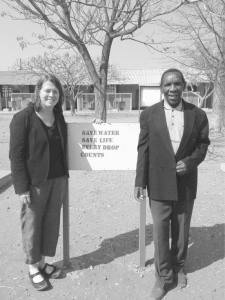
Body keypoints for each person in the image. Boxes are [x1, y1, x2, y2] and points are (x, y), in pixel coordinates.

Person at [134, 69, 210, 300]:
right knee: (160, 230)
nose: (173, 88)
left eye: (177, 84)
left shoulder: (197, 115)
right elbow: (143, 149)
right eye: (168, 84)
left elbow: (203, 145)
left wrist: (191, 162)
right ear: (161, 87)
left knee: (181, 231)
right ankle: (163, 276)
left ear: (184, 85)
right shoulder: (149, 115)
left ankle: (178, 268)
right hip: (157, 182)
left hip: (185, 183)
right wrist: (140, 181)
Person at [9, 74, 69, 291]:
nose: (51, 95)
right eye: (47, 91)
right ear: (38, 92)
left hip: (58, 179)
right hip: (35, 183)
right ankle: (33, 267)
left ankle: (42, 262)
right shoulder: (23, 118)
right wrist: (21, 187)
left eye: (55, 91)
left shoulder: (58, 115)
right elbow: (16, 155)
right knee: (32, 225)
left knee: (51, 223)